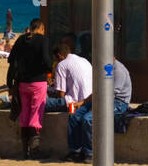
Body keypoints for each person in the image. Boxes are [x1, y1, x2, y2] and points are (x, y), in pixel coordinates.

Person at [66, 59, 132, 162]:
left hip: (117, 102)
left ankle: (90, 153)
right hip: (100, 99)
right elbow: (97, 90)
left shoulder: (119, 70)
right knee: (74, 116)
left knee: (88, 118)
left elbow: (111, 94)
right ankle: (75, 151)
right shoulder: (103, 68)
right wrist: (82, 102)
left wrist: (95, 107)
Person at [6, 17, 53, 157]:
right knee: (35, 113)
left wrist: (10, 82)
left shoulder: (21, 40)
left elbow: (11, 59)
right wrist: (49, 70)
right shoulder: (43, 40)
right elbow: (46, 59)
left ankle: (24, 150)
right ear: (41, 29)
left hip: (22, 83)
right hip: (38, 82)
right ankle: (34, 150)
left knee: (25, 113)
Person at [54, 39, 94, 157]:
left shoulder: (61, 65)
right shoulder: (84, 60)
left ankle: (76, 151)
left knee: (44, 104)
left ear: (59, 56)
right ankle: (77, 151)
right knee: (74, 117)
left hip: (74, 102)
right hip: (89, 100)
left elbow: (61, 95)